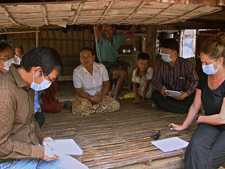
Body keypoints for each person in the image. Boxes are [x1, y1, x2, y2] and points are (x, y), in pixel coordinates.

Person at [0, 47, 77, 169]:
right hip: (9, 162)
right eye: (50, 80)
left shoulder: (28, 86)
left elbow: (29, 120)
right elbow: (1, 146)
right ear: (37, 71)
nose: (49, 84)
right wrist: (39, 152)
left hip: (30, 154)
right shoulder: (5, 92)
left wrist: (43, 138)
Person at [169, 38, 225, 169]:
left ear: (220, 60)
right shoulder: (205, 76)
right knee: (194, 147)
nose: (204, 66)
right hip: (211, 123)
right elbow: (195, 105)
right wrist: (184, 125)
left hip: (219, 121)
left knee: (209, 158)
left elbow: (222, 118)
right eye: (202, 62)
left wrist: (200, 118)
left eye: (207, 63)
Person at [152, 38, 198, 113]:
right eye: (162, 52)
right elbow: (155, 80)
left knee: (194, 95)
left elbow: (195, 81)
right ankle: (184, 109)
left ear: (175, 52)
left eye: (165, 52)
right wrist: (161, 88)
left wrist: (186, 94)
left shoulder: (186, 64)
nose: (163, 54)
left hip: (183, 96)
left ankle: (174, 108)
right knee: (155, 95)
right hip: (167, 95)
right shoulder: (159, 64)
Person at [72, 48, 120, 117]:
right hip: (85, 97)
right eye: (82, 57)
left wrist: (101, 96)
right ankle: (96, 108)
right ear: (80, 59)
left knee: (116, 105)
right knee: (80, 109)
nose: (85, 59)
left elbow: (106, 84)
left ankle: (92, 109)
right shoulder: (77, 71)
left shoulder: (101, 67)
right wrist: (90, 98)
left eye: (88, 56)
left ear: (93, 57)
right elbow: (79, 91)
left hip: (100, 96)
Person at [94, 25, 128, 99]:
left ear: (114, 30)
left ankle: (115, 97)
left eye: (110, 30)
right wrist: (103, 28)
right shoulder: (100, 39)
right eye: (106, 30)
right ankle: (111, 94)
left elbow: (130, 34)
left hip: (113, 64)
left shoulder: (117, 39)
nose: (108, 32)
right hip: (103, 65)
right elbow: (95, 28)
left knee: (123, 73)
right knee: (118, 75)